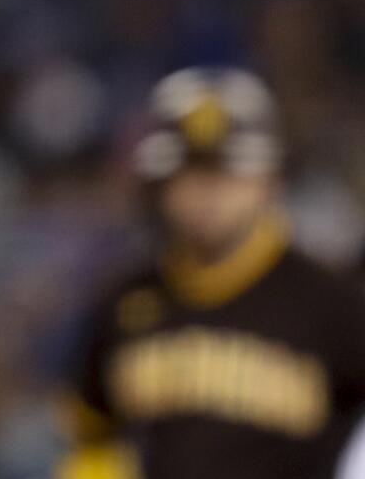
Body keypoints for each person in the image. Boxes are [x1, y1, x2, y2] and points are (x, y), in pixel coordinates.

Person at [57, 67, 365, 479]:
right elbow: (92, 440)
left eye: (226, 173)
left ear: (270, 180)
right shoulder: (125, 301)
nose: (207, 192)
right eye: (190, 173)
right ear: (158, 186)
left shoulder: (332, 304)